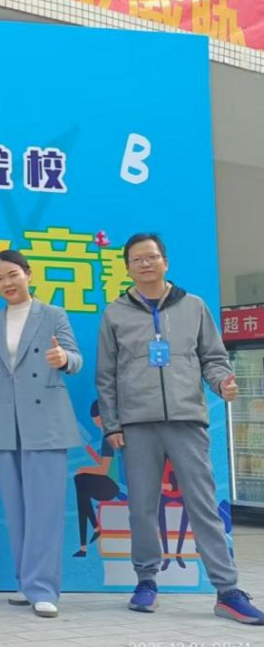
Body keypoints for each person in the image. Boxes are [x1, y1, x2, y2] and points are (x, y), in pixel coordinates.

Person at [96, 232, 262, 624]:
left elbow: (214, 358)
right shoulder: (115, 314)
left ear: (165, 261)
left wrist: (221, 383)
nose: (145, 264)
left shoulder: (194, 307)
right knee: (141, 507)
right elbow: (106, 376)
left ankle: (227, 591)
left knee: (203, 505)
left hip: (187, 421)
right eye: (137, 259)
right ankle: (146, 581)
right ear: (128, 268)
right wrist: (112, 425)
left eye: (151, 257)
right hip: (137, 426)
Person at [0, 249, 82, 619]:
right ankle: (26, 582)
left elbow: (75, 357)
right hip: (4, 424)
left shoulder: (53, 314)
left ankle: (44, 589)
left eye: (12, 274)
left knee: (45, 511)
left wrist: (63, 359)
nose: (6, 283)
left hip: (45, 422)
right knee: (17, 510)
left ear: (28, 274)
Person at [72, 401, 121, 558]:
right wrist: (89, 450)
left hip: (111, 486)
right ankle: (88, 539)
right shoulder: (109, 436)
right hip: (109, 483)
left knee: (80, 480)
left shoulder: (109, 438)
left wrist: (82, 469)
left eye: (97, 421)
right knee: (81, 487)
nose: (96, 425)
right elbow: (104, 463)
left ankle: (91, 534)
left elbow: (104, 470)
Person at [158, 459, 190, 571]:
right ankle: (166, 556)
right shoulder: (162, 461)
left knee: (188, 511)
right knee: (160, 514)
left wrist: (169, 486)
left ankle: (178, 554)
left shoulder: (182, 460)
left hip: (180, 494)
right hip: (166, 494)